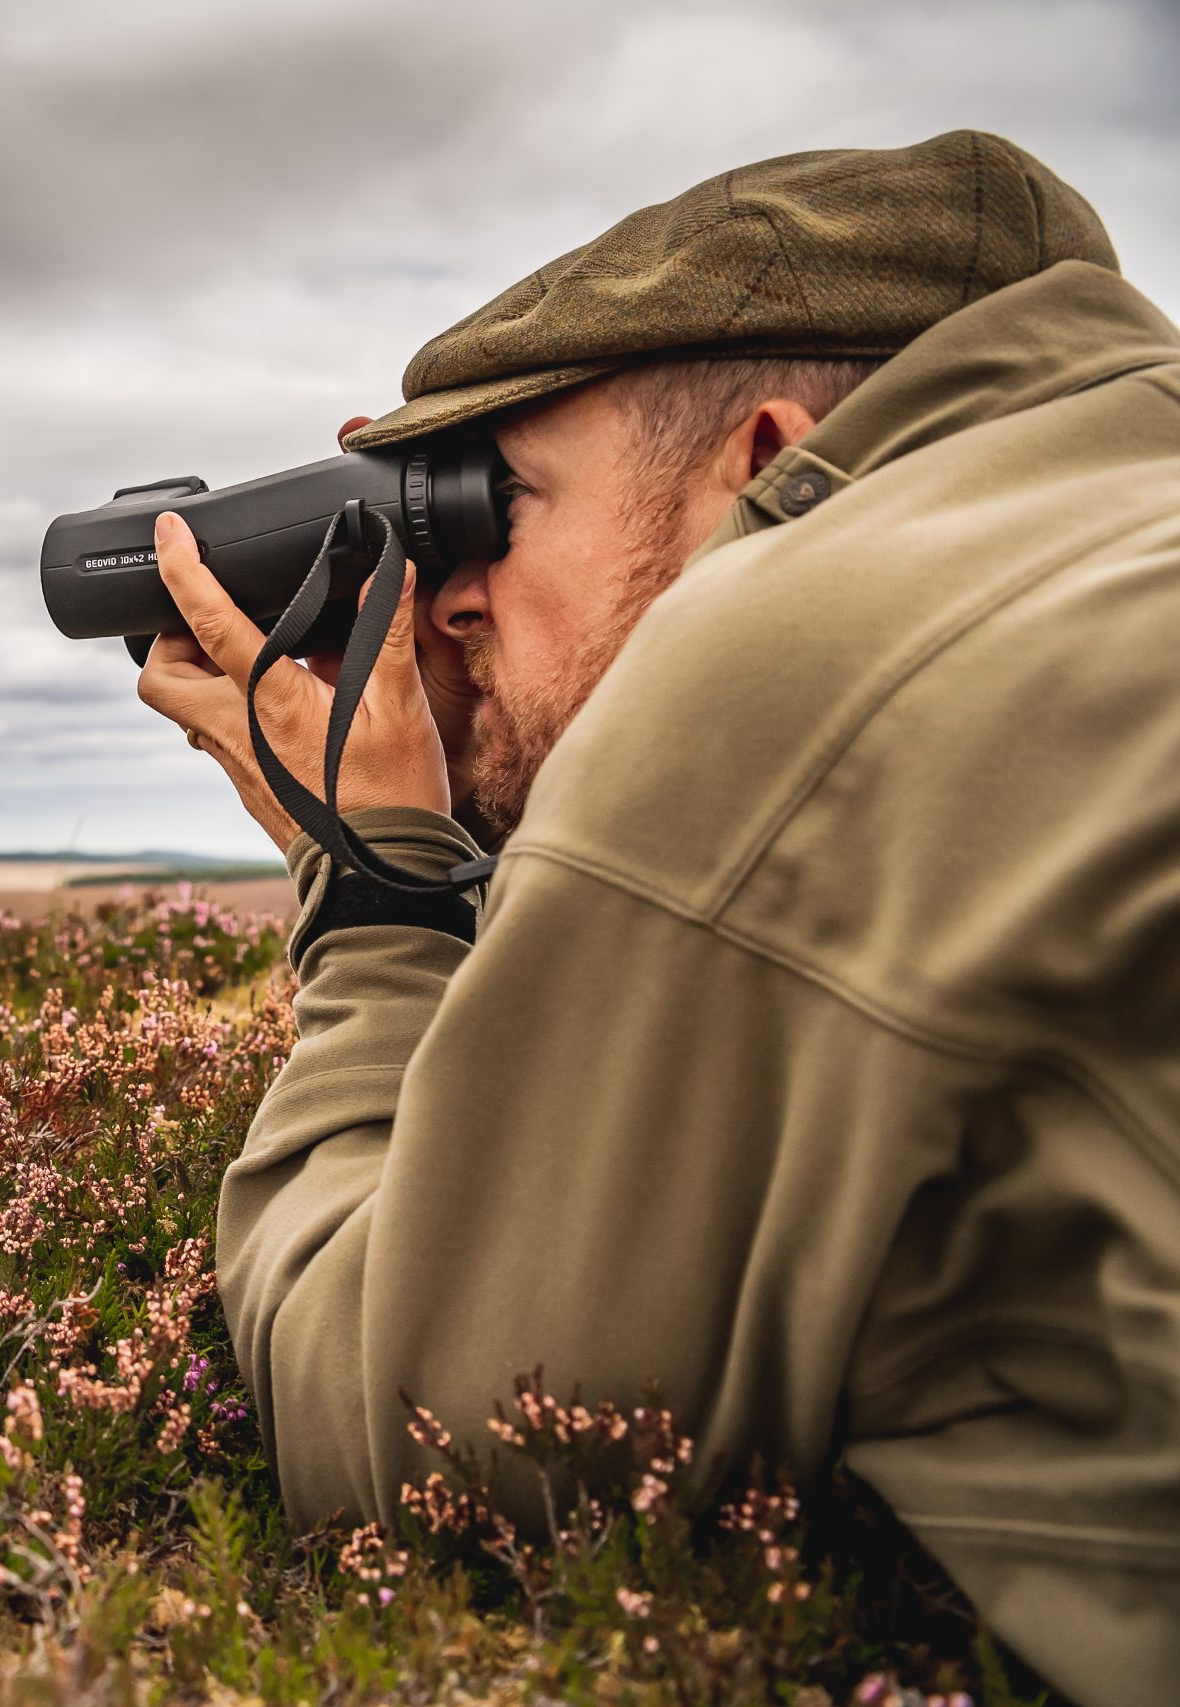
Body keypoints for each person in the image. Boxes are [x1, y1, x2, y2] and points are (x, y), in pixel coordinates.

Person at [136, 130, 1180, 1706]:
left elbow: (429, 1447)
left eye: (494, 503)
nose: (445, 598)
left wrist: (369, 880)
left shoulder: (792, 645)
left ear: (761, 464)